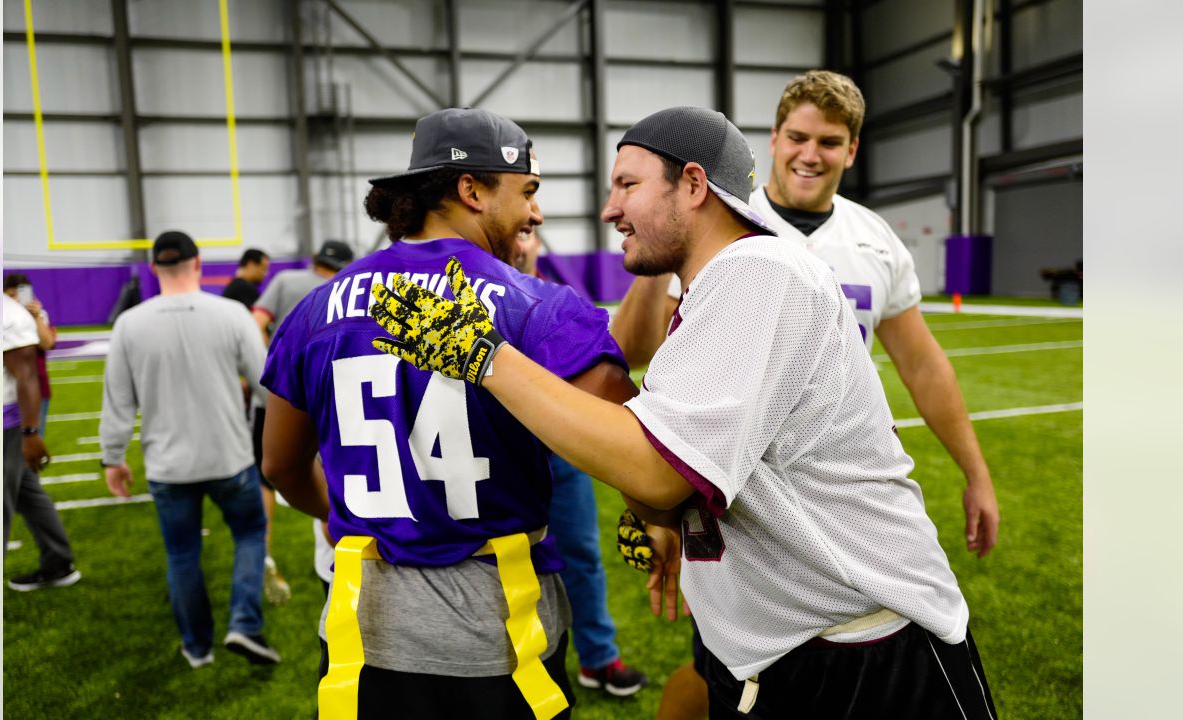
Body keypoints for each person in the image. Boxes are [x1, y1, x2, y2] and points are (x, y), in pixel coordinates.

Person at [370, 106, 997, 719]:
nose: (610, 209)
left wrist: (486, 358)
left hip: (863, 644)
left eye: (628, 185)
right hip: (781, 645)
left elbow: (657, 469)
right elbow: (681, 458)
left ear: (694, 184)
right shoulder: (718, 286)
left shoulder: (759, 272)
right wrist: (672, 518)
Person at [612, 73, 1002, 719]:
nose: (809, 153)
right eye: (796, 136)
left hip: (820, 494)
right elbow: (634, 351)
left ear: (852, 150)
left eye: (830, 140)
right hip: (732, 498)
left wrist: (976, 473)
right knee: (725, 666)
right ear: (773, 139)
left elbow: (923, 364)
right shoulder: (720, 225)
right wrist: (663, 251)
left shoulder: (874, 239)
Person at [260, 107, 636, 719]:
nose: (533, 212)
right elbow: (635, 445)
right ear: (472, 190)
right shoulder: (535, 303)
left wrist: (368, 513)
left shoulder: (314, 309)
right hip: (499, 637)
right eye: (527, 191)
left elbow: (280, 464)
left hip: (365, 636)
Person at [99, 230, 280, 669]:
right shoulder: (233, 314)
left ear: (154, 269)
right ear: (198, 264)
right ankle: (244, 623)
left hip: (167, 463)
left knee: (182, 554)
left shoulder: (130, 324)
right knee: (250, 533)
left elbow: (117, 401)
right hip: (229, 455)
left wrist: (112, 457)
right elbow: (265, 385)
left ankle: (197, 647)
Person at [512, 226, 650, 697]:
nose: (525, 236)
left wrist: (649, 502)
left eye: (533, 230)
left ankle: (598, 657)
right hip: (498, 456)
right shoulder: (477, 296)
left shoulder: (553, 300)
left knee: (582, 556)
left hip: (560, 454)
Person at [249, 239, 356, 605]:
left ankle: (265, 546)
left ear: (315, 260)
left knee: (271, 471)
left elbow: (257, 321)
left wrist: (275, 364)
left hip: (283, 391)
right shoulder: (352, 290)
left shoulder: (287, 281)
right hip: (339, 391)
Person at [3, 288, 79, 590]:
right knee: (28, 495)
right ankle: (58, 562)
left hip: (1, 426)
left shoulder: (6, 313)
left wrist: (31, 433)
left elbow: (27, 374)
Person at [4, 274, 58, 435]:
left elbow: (47, 343)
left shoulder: (39, 316)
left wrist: (35, 317)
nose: (16, 300)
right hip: (6, 395)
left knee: (33, 439)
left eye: (20, 295)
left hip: (35, 390)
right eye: (10, 296)